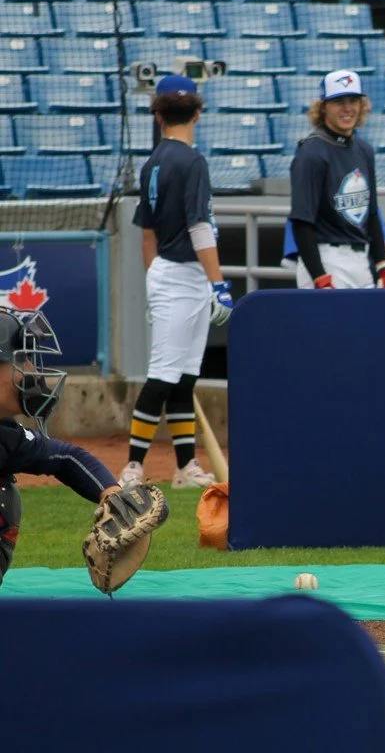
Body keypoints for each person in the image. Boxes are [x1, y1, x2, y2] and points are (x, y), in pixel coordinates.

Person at [120, 75, 232, 491]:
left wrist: (153, 281)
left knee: (185, 377)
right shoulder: (193, 161)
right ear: (198, 113)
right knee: (165, 376)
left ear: (159, 114)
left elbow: (146, 236)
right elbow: (199, 226)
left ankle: (185, 466)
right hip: (186, 274)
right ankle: (133, 466)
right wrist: (218, 283)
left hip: (168, 272)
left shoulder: (153, 161)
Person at [0, 307, 126, 583]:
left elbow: (65, 457)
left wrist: (113, 497)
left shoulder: (6, 435)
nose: (31, 372)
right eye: (22, 360)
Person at [288, 69, 385, 290]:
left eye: (353, 100)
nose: (348, 108)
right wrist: (320, 277)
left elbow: (371, 212)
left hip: (361, 261)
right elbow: (301, 222)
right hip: (327, 259)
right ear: (323, 106)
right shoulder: (311, 152)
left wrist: (383, 265)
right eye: (338, 101)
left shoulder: (364, 150)